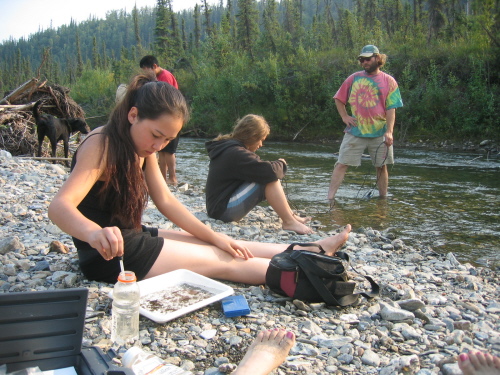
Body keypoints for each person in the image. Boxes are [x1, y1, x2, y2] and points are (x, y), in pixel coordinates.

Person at [47, 72, 352, 285]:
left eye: (168, 140)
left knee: (226, 244)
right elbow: (60, 207)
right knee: (219, 261)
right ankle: (308, 271)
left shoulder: (143, 147)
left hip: (133, 235)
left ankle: (311, 249)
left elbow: (166, 201)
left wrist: (215, 234)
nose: (158, 146)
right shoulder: (102, 144)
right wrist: (92, 233)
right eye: (156, 135)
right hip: (109, 256)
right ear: (133, 115)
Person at [205, 114, 313, 235]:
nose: (261, 144)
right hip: (222, 212)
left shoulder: (229, 148)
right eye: (261, 139)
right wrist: (281, 163)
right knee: (269, 179)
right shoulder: (236, 153)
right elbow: (270, 172)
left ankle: (291, 217)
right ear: (252, 136)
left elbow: (261, 169)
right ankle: (289, 222)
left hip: (216, 208)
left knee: (266, 175)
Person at [328, 45, 403, 201]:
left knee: (381, 167)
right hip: (355, 130)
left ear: (377, 58)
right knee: (341, 164)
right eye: (361, 60)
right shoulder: (353, 78)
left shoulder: (389, 81)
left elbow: (391, 109)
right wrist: (344, 116)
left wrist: (389, 132)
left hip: (380, 133)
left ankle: (383, 200)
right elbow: (338, 98)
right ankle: (329, 199)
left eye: (367, 59)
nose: (364, 62)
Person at [140, 55, 180, 185]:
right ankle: (163, 178)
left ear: (154, 66)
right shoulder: (158, 78)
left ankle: (173, 178)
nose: (145, 72)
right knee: (161, 151)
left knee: (169, 151)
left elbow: (166, 99)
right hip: (162, 118)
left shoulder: (165, 77)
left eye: (146, 69)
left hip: (171, 118)